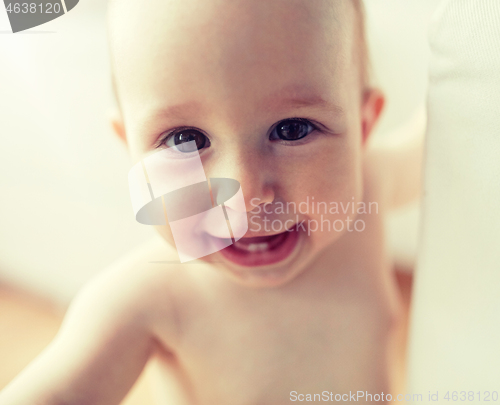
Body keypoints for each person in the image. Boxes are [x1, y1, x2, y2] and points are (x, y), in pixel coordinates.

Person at [0, 0, 424, 403]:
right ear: (130, 151)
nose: (244, 193)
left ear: (364, 127)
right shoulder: (143, 302)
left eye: (292, 128)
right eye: (185, 140)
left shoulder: (370, 182)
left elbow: (445, 134)